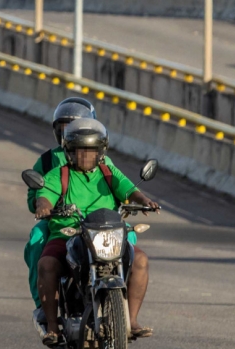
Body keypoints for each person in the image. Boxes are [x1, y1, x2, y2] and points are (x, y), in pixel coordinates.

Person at [35, 118, 159, 346]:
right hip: (69, 234)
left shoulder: (108, 173)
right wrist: (44, 205)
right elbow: (45, 194)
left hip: (106, 234)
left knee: (140, 259)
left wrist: (145, 201)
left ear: (100, 152)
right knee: (47, 264)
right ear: (69, 152)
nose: (85, 156)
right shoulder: (58, 175)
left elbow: (130, 190)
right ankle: (53, 327)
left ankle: (130, 321)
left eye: (91, 152)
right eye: (80, 151)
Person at [25, 98, 121, 325]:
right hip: (60, 222)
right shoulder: (48, 160)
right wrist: (46, 207)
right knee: (38, 239)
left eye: (76, 126)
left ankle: (125, 309)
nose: (71, 132)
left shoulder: (103, 161)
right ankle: (43, 303)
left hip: (100, 223)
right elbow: (34, 199)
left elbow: (122, 188)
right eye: (64, 128)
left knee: (130, 240)